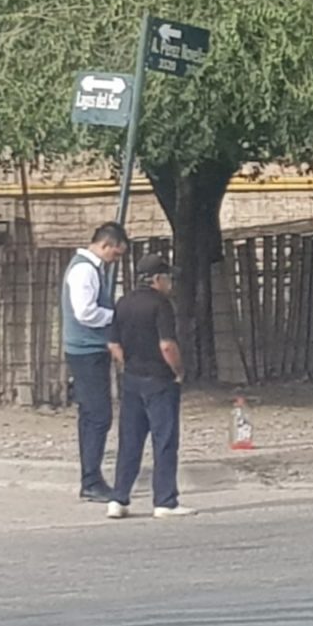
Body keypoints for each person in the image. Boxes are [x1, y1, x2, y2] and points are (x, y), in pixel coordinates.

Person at [106, 254, 195, 519]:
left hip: (132, 380)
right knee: (164, 440)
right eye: (167, 278)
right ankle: (165, 501)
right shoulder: (161, 305)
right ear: (158, 279)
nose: (170, 284)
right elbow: (166, 345)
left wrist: (130, 365)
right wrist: (178, 371)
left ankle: (118, 498)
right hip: (159, 380)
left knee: (130, 442)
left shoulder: (123, 303)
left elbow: (114, 345)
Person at [61, 221, 129, 501]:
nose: (116, 260)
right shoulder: (84, 270)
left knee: (91, 416)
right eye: (116, 254)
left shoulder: (91, 269)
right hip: (85, 350)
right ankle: (91, 480)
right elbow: (85, 312)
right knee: (98, 416)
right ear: (105, 245)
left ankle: (91, 476)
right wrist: (116, 315)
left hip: (90, 349)